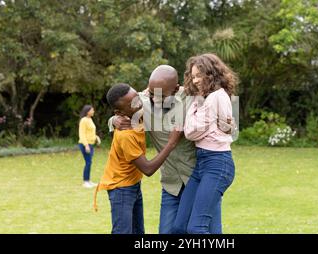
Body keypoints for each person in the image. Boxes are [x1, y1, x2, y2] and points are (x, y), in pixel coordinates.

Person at [110, 65, 234, 233]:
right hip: (171, 184)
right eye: (152, 93)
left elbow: (225, 120)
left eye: (161, 95)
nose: (154, 99)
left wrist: (229, 125)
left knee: (208, 231)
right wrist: (113, 120)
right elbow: (120, 109)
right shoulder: (141, 102)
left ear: (176, 89)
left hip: (198, 178)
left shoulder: (193, 98)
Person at [93, 83, 182, 234]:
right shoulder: (125, 134)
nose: (139, 102)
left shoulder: (136, 111)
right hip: (120, 188)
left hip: (133, 184)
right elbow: (148, 169)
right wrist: (171, 143)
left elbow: (148, 93)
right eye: (133, 102)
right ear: (119, 112)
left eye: (138, 98)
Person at [173, 53, 237, 234]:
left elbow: (191, 132)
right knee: (179, 227)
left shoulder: (217, 96)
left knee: (196, 228)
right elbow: (196, 129)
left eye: (199, 76)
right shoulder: (203, 99)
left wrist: (192, 120)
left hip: (218, 163)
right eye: (193, 76)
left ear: (211, 74)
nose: (195, 81)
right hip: (201, 164)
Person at [78, 105, 101, 188]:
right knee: (88, 162)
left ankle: (88, 181)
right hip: (85, 144)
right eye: (92, 110)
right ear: (87, 111)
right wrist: (86, 145)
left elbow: (91, 132)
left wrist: (96, 138)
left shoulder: (90, 119)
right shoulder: (83, 120)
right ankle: (85, 182)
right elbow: (82, 134)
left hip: (90, 144)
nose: (93, 111)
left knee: (89, 162)